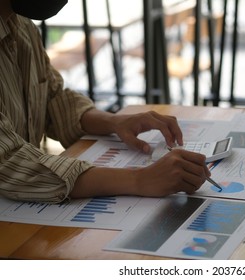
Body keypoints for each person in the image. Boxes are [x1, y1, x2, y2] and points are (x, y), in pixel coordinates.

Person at [0, 0, 210, 203]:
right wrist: (139, 180)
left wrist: (114, 122)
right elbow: (9, 163)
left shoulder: (22, 27)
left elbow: (54, 99)